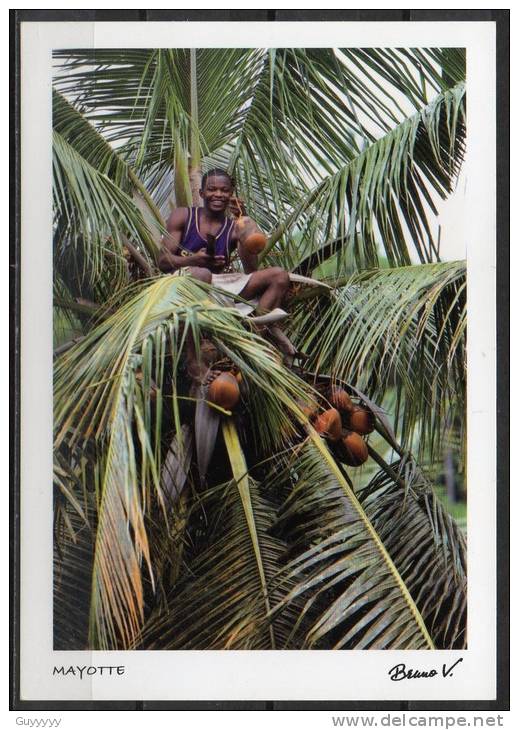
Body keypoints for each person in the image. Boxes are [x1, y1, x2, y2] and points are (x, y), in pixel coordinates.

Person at [158, 168, 293, 382]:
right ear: (202, 193)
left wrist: (245, 228)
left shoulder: (233, 228)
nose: (218, 194)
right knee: (202, 273)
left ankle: (251, 339)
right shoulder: (184, 215)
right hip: (181, 286)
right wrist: (194, 260)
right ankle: (194, 361)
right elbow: (163, 261)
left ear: (231, 194)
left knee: (279, 276)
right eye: (212, 189)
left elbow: (251, 271)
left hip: (218, 289)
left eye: (224, 190)